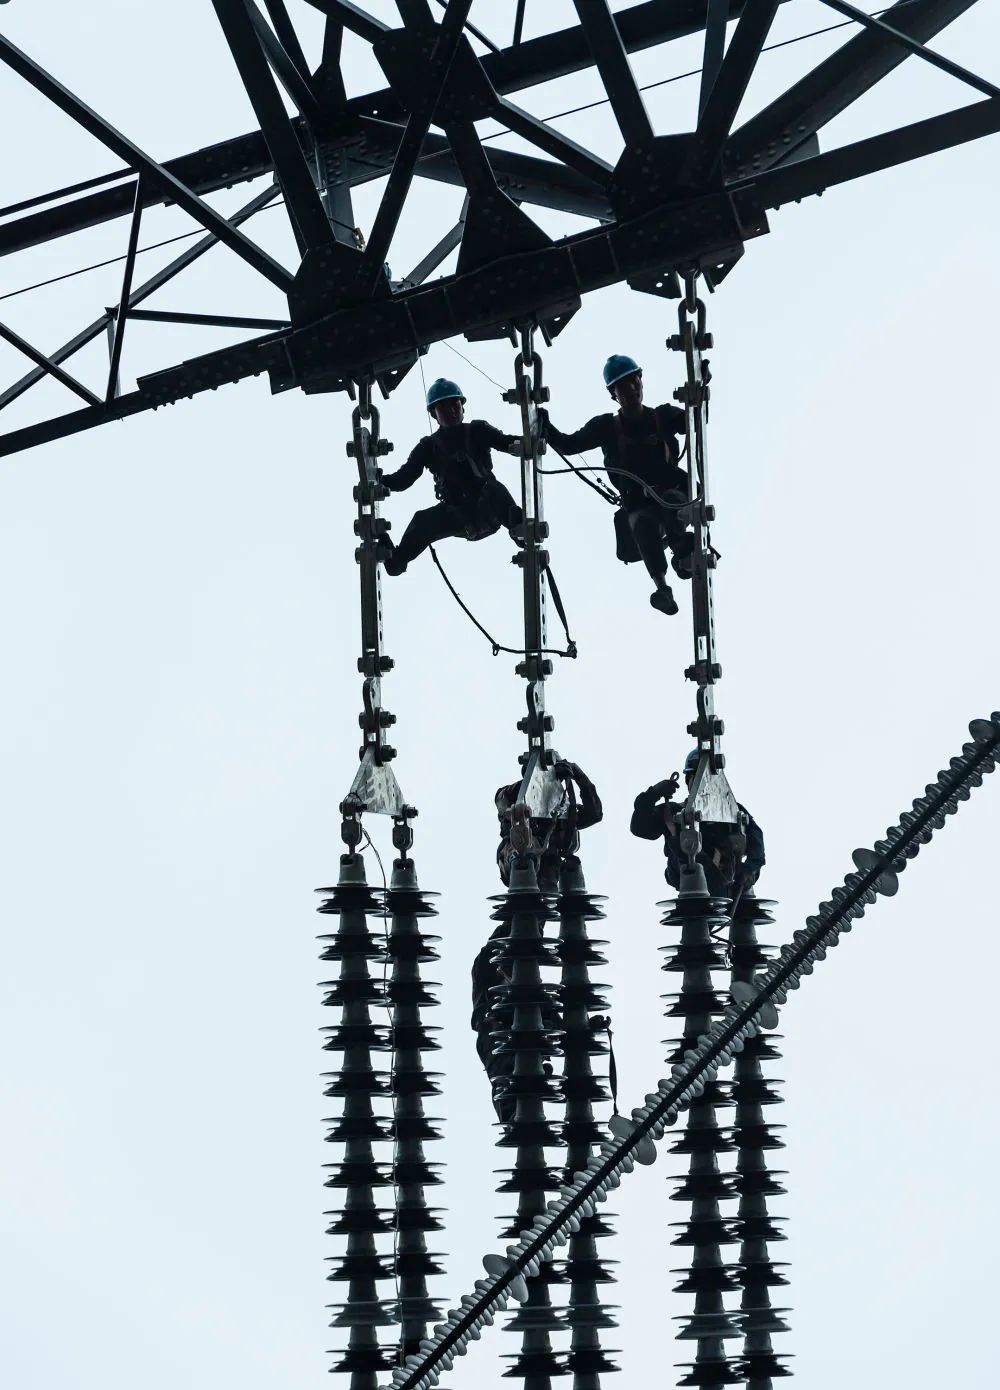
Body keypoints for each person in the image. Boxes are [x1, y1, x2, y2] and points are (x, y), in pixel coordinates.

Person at [471, 760, 603, 1124]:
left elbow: (594, 812)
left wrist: (576, 777)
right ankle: (523, 1075)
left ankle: (535, 1060)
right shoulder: (519, 806)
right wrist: (535, 782)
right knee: (495, 972)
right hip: (526, 902)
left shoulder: (561, 816)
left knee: (495, 971)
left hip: (535, 905)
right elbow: (505, 800)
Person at [542, 354, 693, 616]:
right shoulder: (607, 428)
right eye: (623, 386)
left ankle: (682, 552)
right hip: (640, 503)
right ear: (614, 394)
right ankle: (662, 588)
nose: (631, 389)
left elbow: (694, 420)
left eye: (634, 382)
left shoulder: (663, 417)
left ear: (641, 382)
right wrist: (544, 425)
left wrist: (698, 392)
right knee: (640, 524)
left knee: (670, 502)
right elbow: (569, 445)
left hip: (674, 495)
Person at [379, 378, 523, 574]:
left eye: (455, 405)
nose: (453, 411)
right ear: (434, 414)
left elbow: (507, 442)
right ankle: (395, 561)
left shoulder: (478, 430)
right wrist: (382, 481)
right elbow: (405, 478)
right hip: (458, 514)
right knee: (422, 520)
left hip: (487, 507)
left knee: (494, 488)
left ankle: (519, 529)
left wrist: (535, 433)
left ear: (463, 406)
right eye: (444, 408)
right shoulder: (428, 447)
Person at [630, 749, 765, 898]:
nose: (702, 785)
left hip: (725, 888)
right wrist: (653, 794)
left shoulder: (730, 810)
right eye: (697, 779)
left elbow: (756, 843)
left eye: (707, 780)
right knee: (685, 845)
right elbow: (640, 827)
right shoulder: (674, 812)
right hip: (688, 882)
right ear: (688, 781)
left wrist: (749, 870)